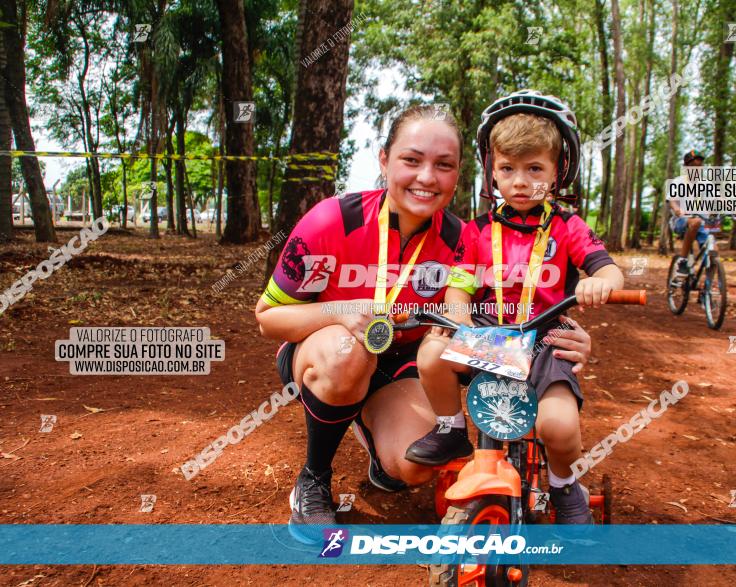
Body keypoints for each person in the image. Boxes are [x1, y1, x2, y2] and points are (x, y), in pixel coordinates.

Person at [253, 104, 596, 535]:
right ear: (384, 160)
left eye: (444, 165)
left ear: (460, 173)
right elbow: (268, 319)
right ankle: (314, 480)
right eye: (411, 160)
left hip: (403, 364)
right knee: (347, 353)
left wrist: (564, 335)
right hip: (325, 351)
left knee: (413, 466)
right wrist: (341, 312)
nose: (427, 177)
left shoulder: (465, 239)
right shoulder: (333, 220)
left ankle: (381, 452)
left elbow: (509, 317)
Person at [405, 90, 625, 524]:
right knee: (431, 352)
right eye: (508, 169)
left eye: (534, 169)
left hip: (545, 338)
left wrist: (602, 283)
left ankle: (564, 487)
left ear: (558, 172)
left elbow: (609, 270)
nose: (520, 181)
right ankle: (451, 430)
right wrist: (458, 312)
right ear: (492, 171)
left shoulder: (568, 226)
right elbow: (459, 286)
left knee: (559, 426)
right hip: (490, 334)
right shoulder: (477, 230)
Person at [669, 150, 709, 282]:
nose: (698, 169)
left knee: (712, 251)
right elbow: (672, 201)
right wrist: (677, 209)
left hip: (701, 223)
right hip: (680, 221)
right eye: (694, 166)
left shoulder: (706, 184)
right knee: (695, 221)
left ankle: (707, 287)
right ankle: (682, 262)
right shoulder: (678, 182)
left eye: (700, 166)